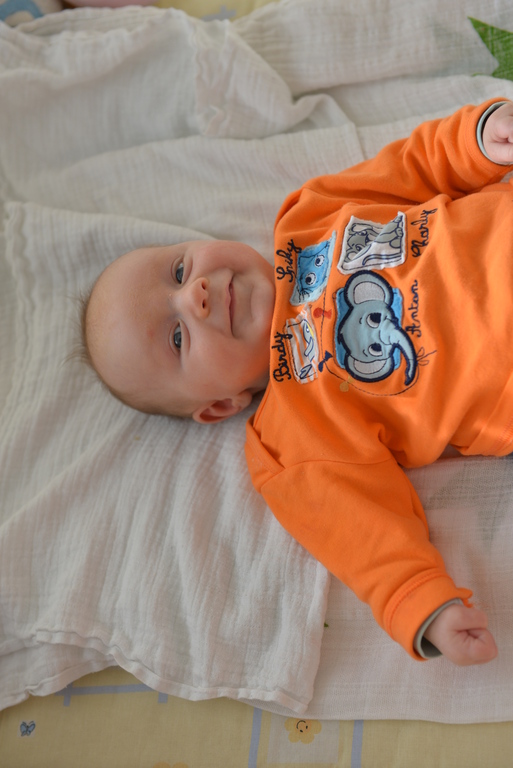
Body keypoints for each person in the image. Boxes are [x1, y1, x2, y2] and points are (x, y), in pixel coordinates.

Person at [84, 99, 513, 667]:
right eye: (178, 337)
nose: (195, 295)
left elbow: (415, 167)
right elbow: (361, 535)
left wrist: (477, 139)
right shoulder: (292, 437)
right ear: (219, 406)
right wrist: (422, 606)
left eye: (179, 270)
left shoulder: (311, 215)